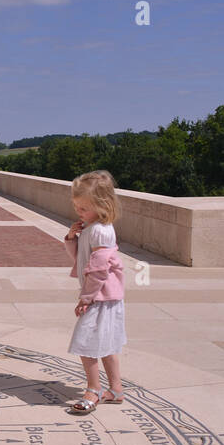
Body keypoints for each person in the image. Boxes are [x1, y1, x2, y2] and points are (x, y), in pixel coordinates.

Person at [62, 170, 126, 414]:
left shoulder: (100, 231)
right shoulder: (93, 227)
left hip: (99, 296)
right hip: (106, 296)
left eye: (84, 208)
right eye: (77, 206)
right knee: (106, 344)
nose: (79, 212)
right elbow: (80, 259)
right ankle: (116, 390)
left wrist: (85, 298)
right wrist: (71, 237)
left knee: (86, 344)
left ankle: (94, 389)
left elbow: (98, 270)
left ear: (102, 205)